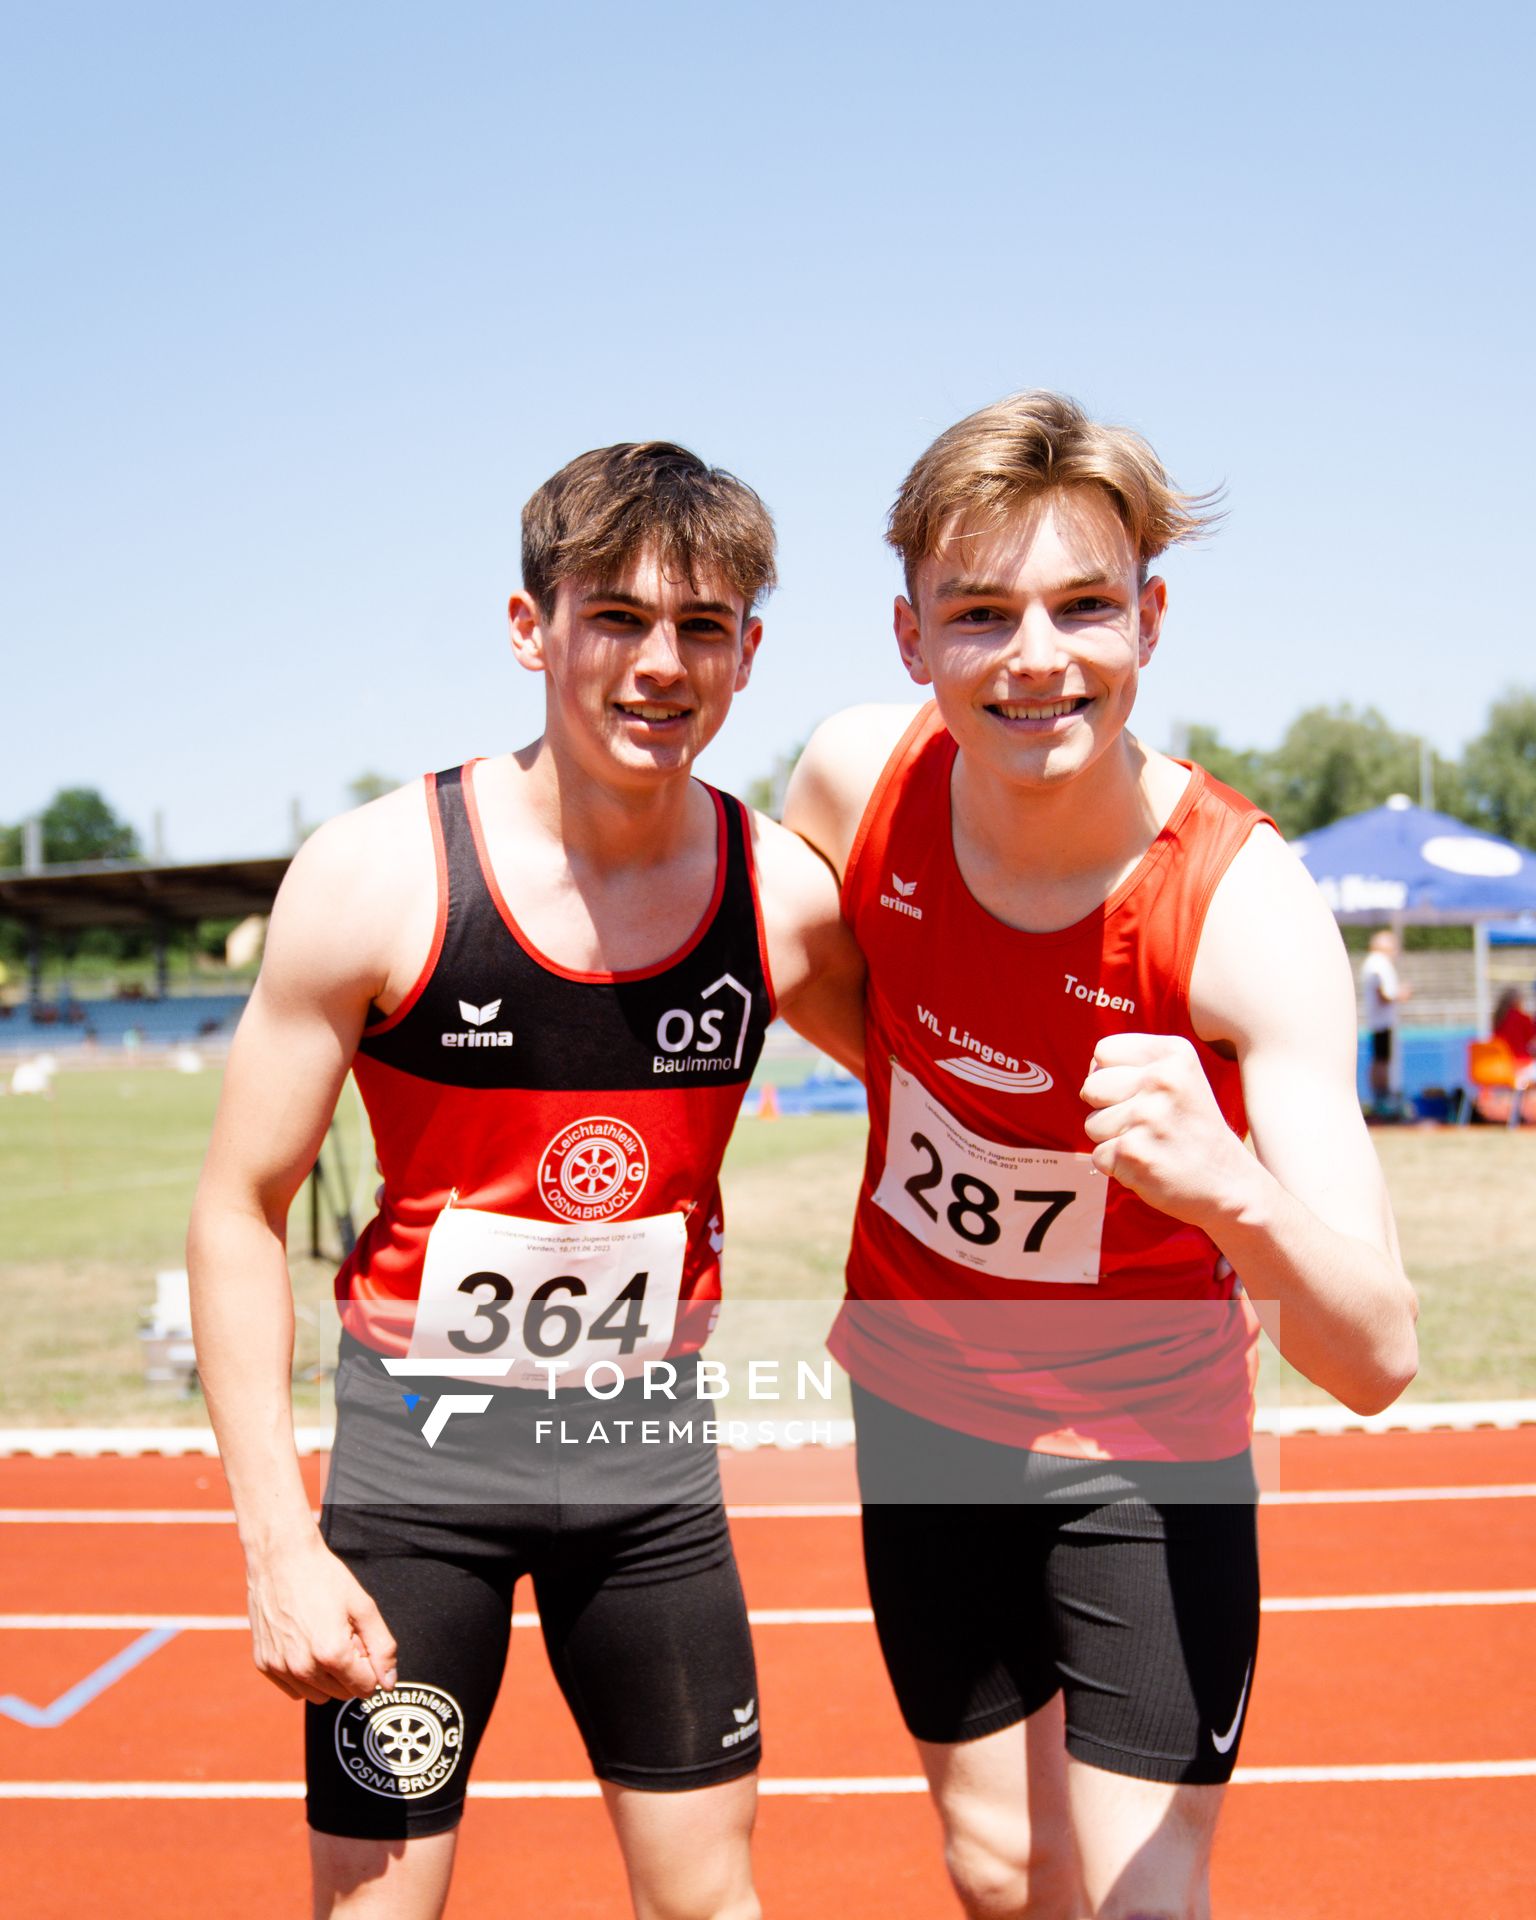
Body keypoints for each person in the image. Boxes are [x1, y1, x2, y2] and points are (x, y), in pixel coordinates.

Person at [189, 441, 864, 1920]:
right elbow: (237, 1207)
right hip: (419, 1476)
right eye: (613, 617)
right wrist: (276, 1543)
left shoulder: (782, 898)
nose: (656, 665)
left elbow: (951, 1076)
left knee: (712, 1905)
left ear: (750, 652)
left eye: (700, 628)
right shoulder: (379, 877)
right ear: (529, 628)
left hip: (651, 1479)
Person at [784, 391, 1418, 1920]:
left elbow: (1380, 1353)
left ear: (1150, 618)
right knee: (1001, 1870)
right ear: (908, 635)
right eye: (981, 613)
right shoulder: (853, 782)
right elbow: (831, 992)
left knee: (1143, 1894)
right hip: (922, 1406)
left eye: (1081, 607)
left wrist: (1233, 1192)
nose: (1036, 658)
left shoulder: (1247, 910)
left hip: (1150, 1443)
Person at [1360, 927, 1412, 1114]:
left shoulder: (1374, 963)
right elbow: (1383, 993)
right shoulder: (1378, 964)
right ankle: (1382, 1098)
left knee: (1380, 1060)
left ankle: (1380, 1097)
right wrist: (1399, 994)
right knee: (1381, 1061)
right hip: (1381, 1021)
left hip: (1379, 1020)